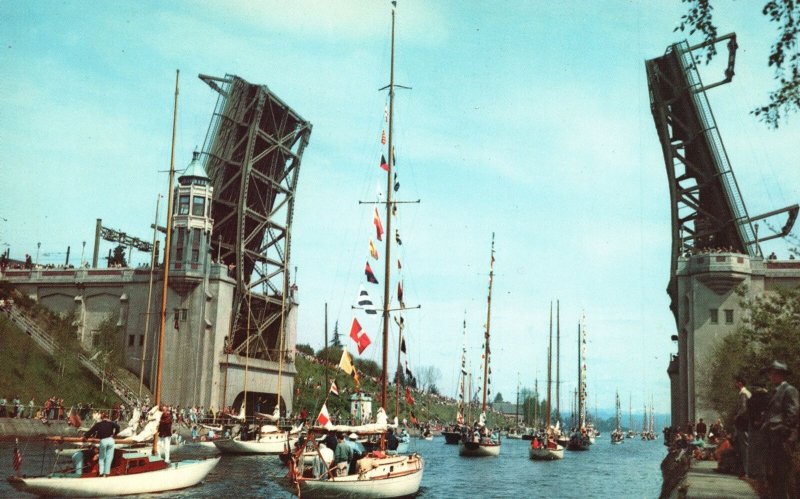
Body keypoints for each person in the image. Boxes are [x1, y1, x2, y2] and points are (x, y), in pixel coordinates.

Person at [760, 360, 799, 499]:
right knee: (774, 476)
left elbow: (793, 413)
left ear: (780, 374)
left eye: (773, 373)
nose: (770, 376)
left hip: (782, 440)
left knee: (783, 476)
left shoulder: (789, 390)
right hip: (773, 440)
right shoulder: (776, 391)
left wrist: (783, 430)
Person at [83, 412, 120, 477]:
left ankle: (101, 473)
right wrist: (115, 434)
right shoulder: (111, 423)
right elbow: (118, 427)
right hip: (111, 440)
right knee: (109, 457)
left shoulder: (99, 424)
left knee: (102, 458)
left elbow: (91, 431)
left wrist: (85, 437)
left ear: (101, 418)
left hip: (104, 441)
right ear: (108, 418)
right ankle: (107, 473)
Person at [733, 375, 751, 477]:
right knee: (745, 446)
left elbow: (744, 408)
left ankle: (747, 471)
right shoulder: (745, 393)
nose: (734, 384)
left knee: (745, 447)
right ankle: (746, 470)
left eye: (735, 382)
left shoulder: (743, 393)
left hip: (743, 423)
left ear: (739, 383)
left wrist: (736, 416)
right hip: (745, 423)